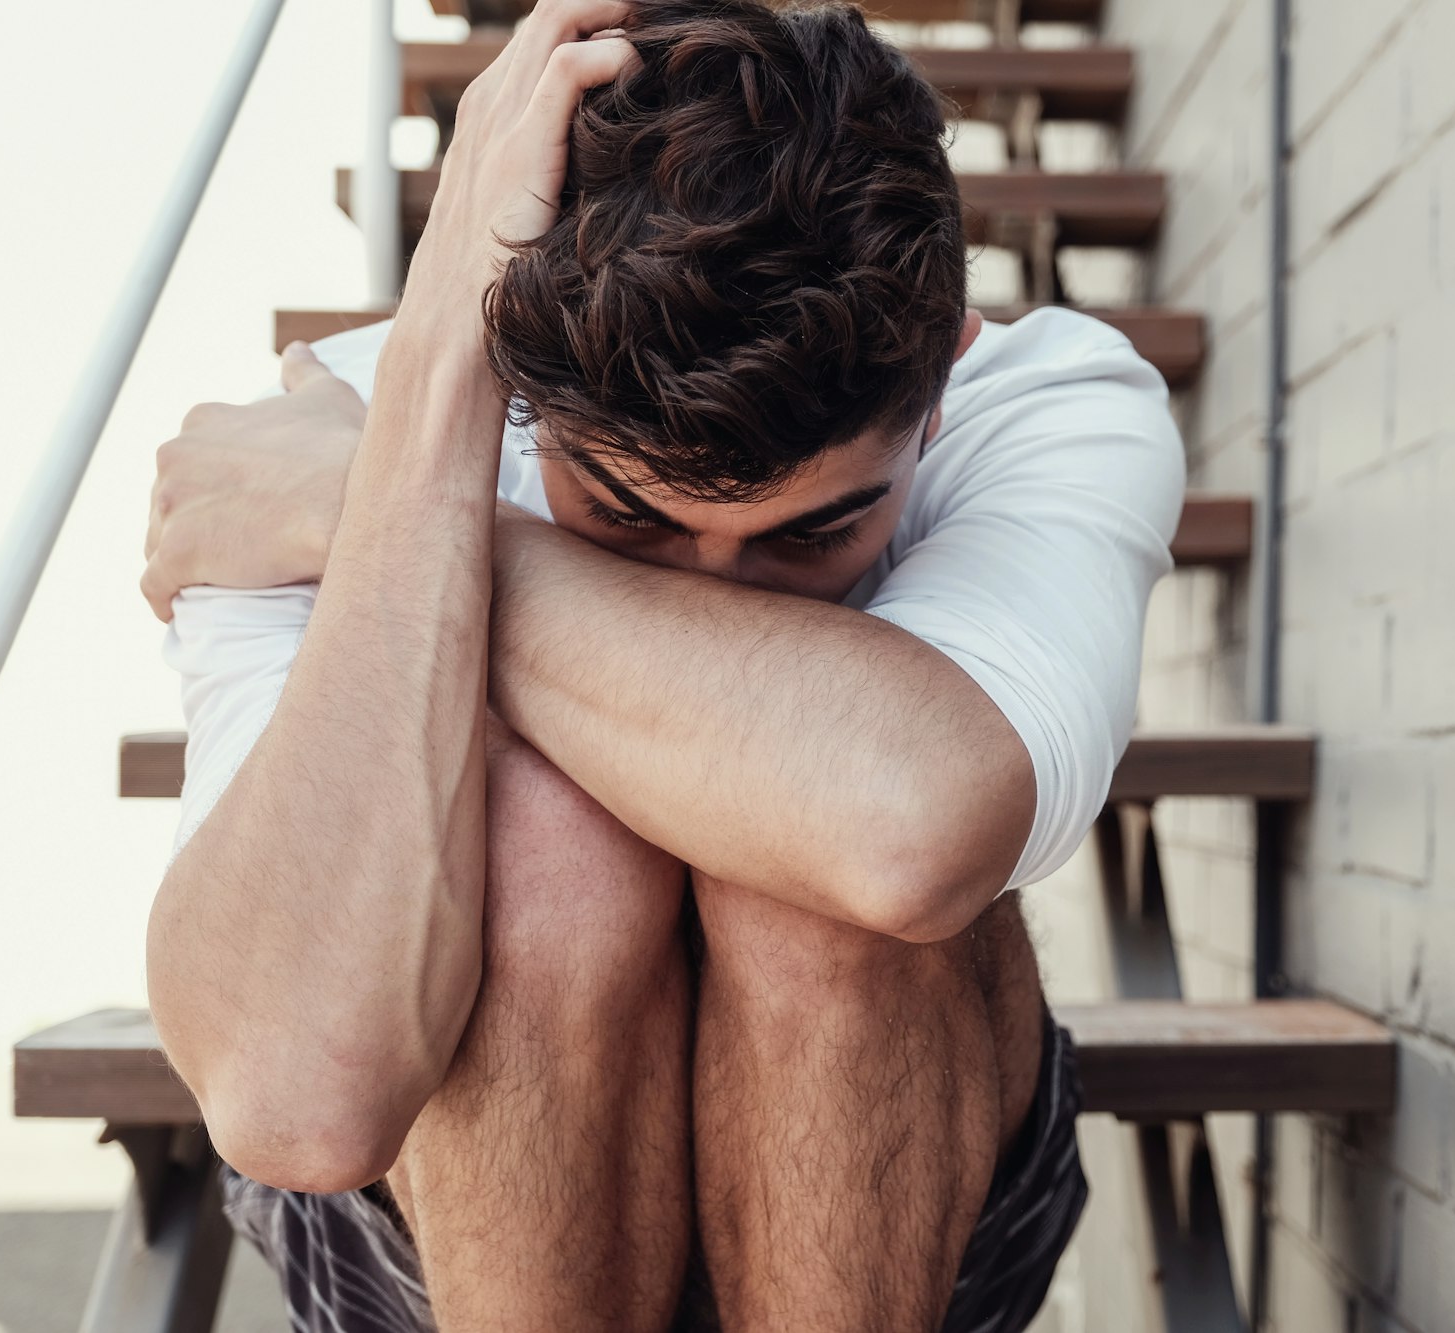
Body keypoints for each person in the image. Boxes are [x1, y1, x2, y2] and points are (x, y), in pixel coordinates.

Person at [139, 1, 1182, 1329]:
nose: (711, 585)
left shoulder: (1044, 400)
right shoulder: (367, 411)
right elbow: (301, 1091)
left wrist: (388, 518)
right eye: (630, 514)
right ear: (524, 396)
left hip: (908, 1198)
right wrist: (425, 432)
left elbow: (903, 831)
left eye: (814, 530)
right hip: (439, 1226)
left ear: (940, 390)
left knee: (814, 869)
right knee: (553, 846)